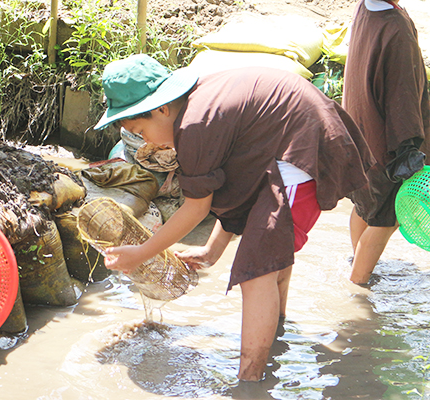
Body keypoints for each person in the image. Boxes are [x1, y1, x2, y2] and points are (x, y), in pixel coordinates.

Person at [95, 54, 373, 381]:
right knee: (269, 260)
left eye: (140, 130)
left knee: (256, 272)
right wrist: (213, 250)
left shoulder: (195, 126)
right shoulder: (198, 105)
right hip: (290, 146)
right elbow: (237, 183)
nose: (145, 142)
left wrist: (142, 253)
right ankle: (276, 333)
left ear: (161, 109)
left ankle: (250, 380)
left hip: (302, 153)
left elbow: (197, 208)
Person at [343, 0, 430, 285]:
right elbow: (403, 97)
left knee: (363, 206)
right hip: (386, 142)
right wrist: (408, 151)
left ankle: (357, 262)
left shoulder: (365, 8)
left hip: (361, 131)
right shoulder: (396, 28)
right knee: (386, 218)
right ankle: (358, 288)